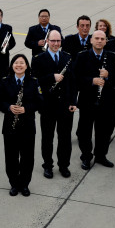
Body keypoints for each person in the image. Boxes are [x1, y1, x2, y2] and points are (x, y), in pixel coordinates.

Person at [31, 30, 77, 178]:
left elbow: (72, 83)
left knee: (65, 138)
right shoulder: (38, 58)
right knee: (47, 138)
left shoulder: (67, 57)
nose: (56, 44)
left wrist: (73, 102)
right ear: (47, 41)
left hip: (65, 105)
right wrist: (52, 77)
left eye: (58, 41)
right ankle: (48, 166)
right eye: (53, 41)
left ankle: (64, 165)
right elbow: (34, 82)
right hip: (47, 106)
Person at [73, 30, 115, 169]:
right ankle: (86, 156)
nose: (99, 41)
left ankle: (101, 156)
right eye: (97, 38)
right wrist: (92, 81)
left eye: (102, 39)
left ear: (106, 41)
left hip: (105, 102)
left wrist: (108, 76)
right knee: (85, 131)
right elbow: (76, 78)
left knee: (103, 131)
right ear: (91, 40)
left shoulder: (112, 56)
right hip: (87, 100)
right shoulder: (82, 56)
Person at [0, 54, 42, 197]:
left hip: (27, 125)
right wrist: (9, 107)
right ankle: (14, 184)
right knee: (11, 157)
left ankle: (24, 184)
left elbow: (39, 101)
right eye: (16, 63)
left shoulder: (34, 81)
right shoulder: (5, 81)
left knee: (27, 157)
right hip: (10, 125)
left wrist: (26, 109)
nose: (19, 65)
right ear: (12, 66)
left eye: (22, 63)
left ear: (27, 66)